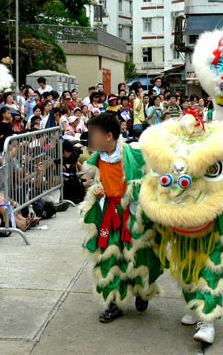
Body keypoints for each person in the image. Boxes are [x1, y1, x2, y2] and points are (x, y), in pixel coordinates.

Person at [79, 112, 147, 322]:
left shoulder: (134, 153)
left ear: (109, 136)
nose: (90, 139)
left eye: (94, 134)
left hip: (132, 213)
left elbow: (148, 179)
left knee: (136, 256)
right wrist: (96, 189)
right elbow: (91, 180)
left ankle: (139, 290)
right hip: (107, 214)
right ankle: (113, 302)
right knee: (107, 257)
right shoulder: (96, 158)